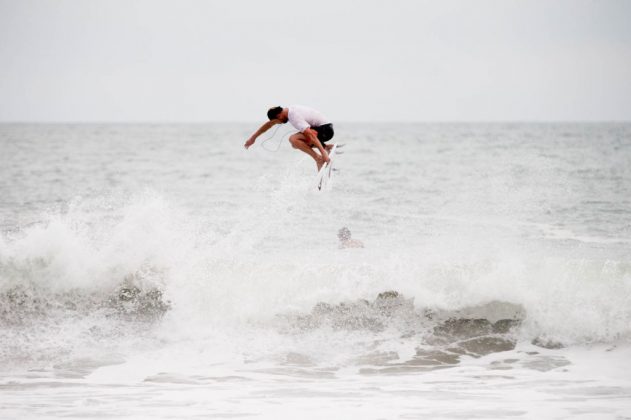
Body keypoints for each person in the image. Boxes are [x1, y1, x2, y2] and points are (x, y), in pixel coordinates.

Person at [244, 105, 335, 171]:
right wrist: (253, 138)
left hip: (325, 131)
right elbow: (268, 125)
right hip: (324, 128)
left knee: (293, 139)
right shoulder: (288, 111)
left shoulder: (293, 116)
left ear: (279, 116)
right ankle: (326, 147)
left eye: (277, 122)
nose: (278, 123)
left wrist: (324, 154)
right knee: (295, 144)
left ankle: (319, 158)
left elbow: (311, 135)